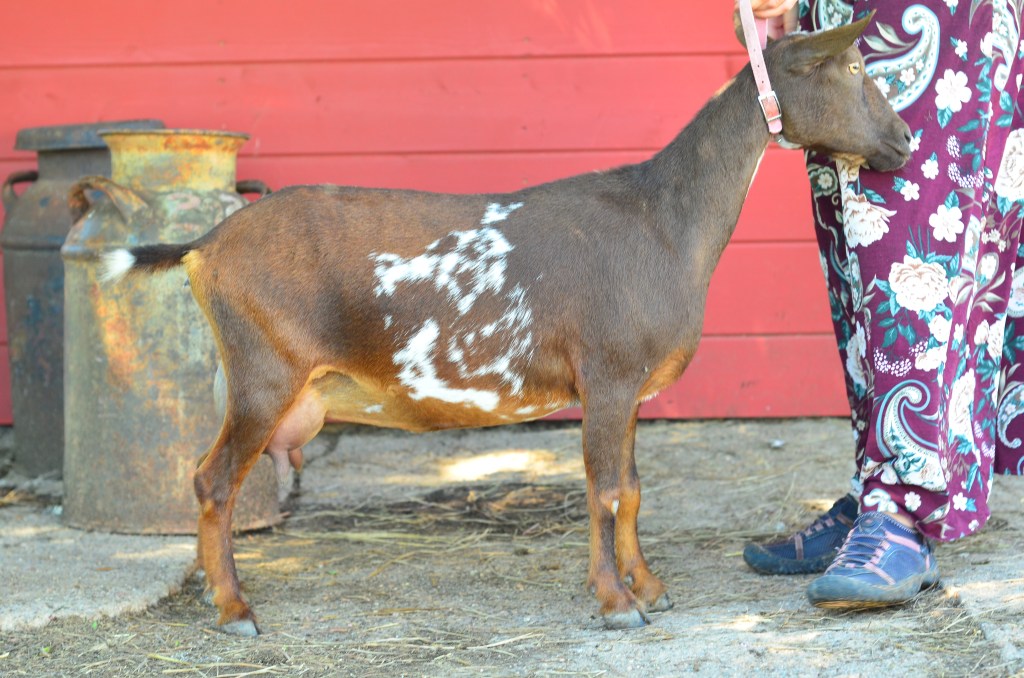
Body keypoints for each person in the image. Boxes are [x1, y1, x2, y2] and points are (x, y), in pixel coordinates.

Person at [739, 0, 1024, 608]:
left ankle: (902, 511)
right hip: (844, 16)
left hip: (933, 15)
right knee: (858, 250)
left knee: (914, 237)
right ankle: (876, 485)